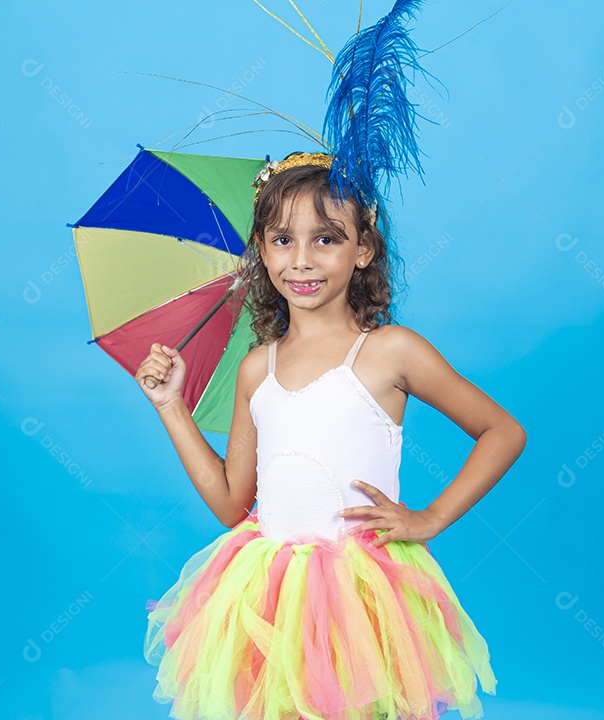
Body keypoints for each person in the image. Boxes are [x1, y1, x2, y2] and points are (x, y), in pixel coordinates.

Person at [135, 151, 528, 720]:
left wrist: (429, 518)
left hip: (358, 591)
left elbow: (502, 431)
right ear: (260, 251)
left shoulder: (390, 350)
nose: (301, 260)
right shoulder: (256, 369)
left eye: (325, 240)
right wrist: (172, 405)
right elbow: (229, 503)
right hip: (266, 590)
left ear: (363, 249)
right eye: (281, 240)